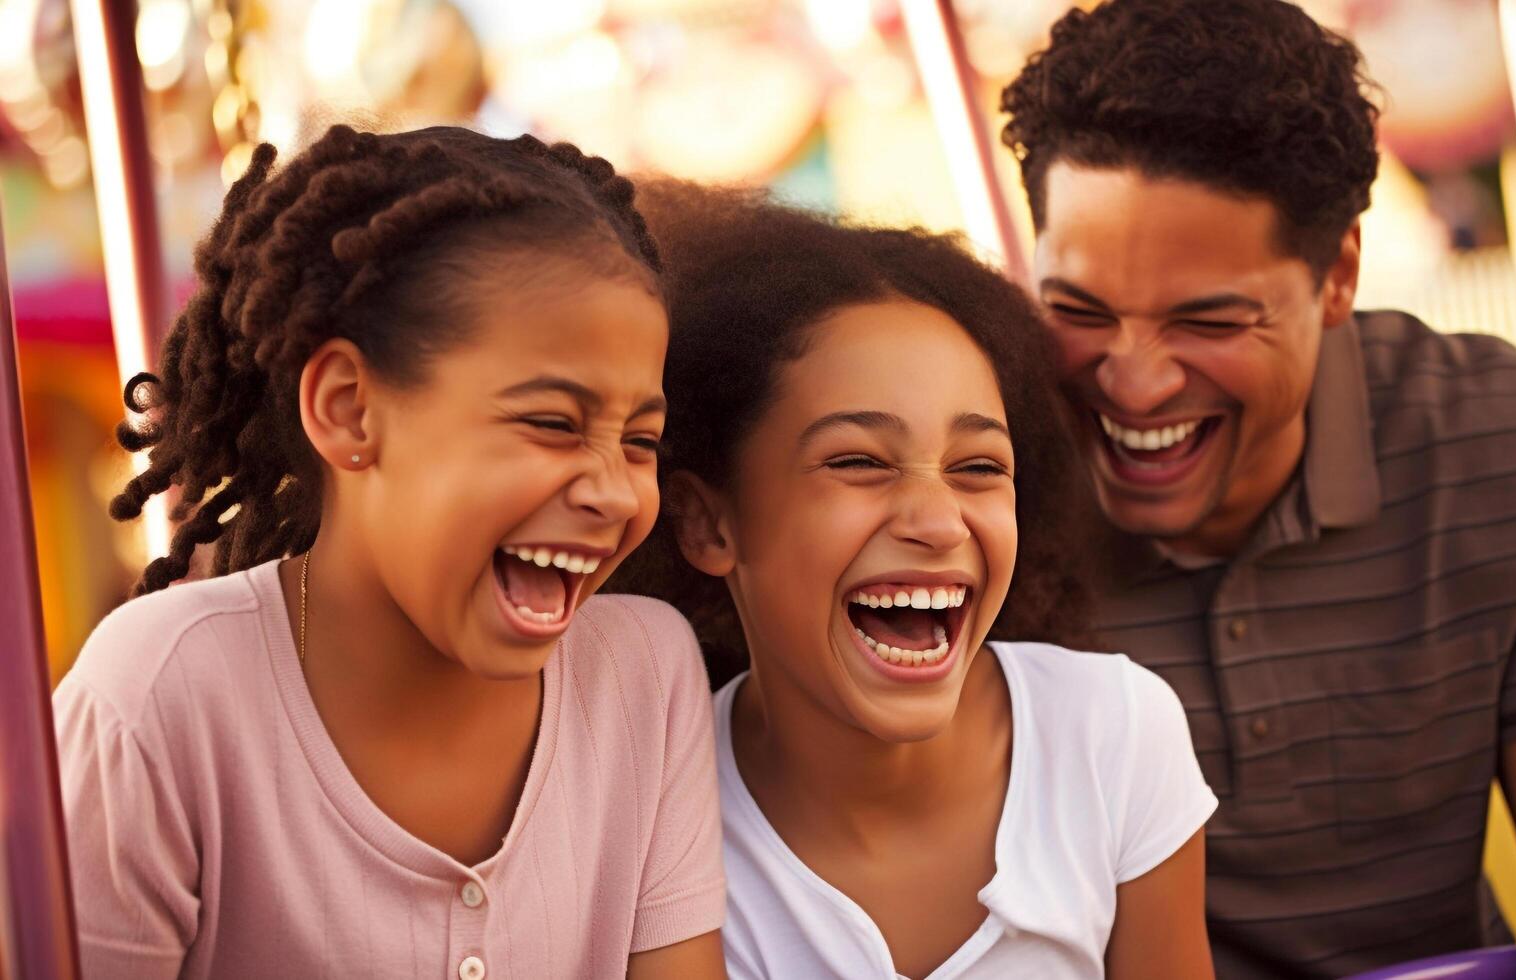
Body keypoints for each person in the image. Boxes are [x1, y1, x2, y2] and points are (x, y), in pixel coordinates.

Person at [998, 1, 1516, 976]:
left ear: (1335, 276)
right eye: (1077, 310)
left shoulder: (1505, 441)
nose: (1132, 381)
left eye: (1207, 321)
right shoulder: (977, 484)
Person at [53, 125, 725, 979]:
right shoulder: (161, 695)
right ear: (347, 410)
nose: (614, 489)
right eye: (552, 423)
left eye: (640, 441)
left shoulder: (644, 676)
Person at [608, 182, 1216, 979]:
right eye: (858, 461)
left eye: (978, 467)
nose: (937, 521)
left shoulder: (1112, 731)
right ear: (707, 524)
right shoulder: (660, 823)